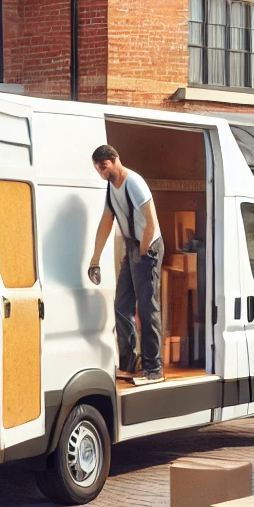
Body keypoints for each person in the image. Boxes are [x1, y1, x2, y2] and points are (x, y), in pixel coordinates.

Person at [87, 144, 165, 386]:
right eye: (97, 168)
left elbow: (151, 221)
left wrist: (142, 254)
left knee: (147, 308)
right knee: (122, 305)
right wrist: (95, 259)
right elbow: (106, 223)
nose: (101, 172)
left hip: (148, 247)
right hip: (133, 246)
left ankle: (154, 368)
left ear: (114, 161)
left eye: (103, 167)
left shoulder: (134, 183)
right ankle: (129, 364)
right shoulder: (111, 187)